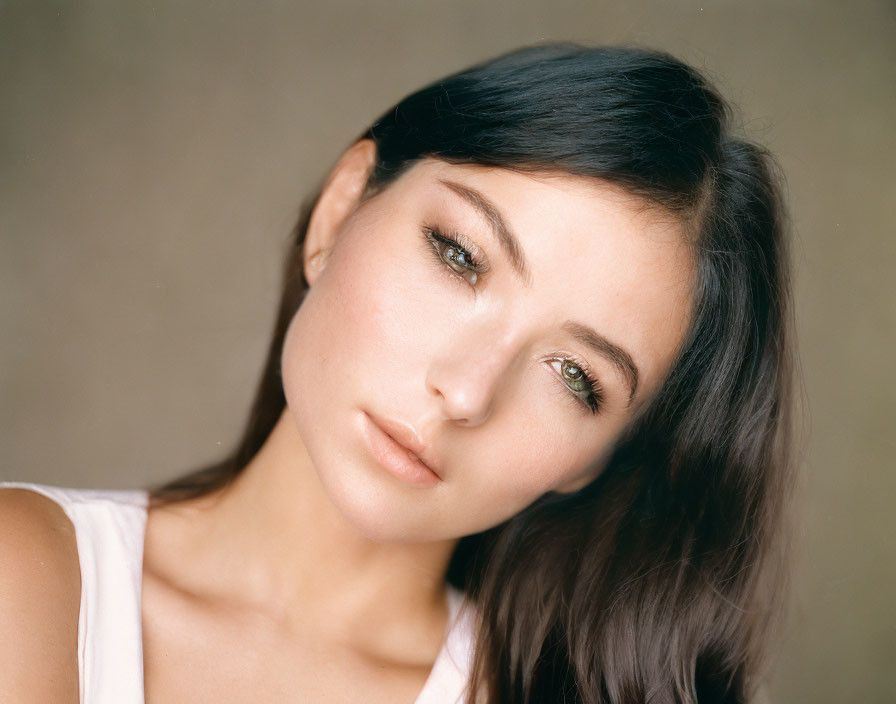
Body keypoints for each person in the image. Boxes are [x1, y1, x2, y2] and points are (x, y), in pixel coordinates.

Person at [0, 42, 795, 703]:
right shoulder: (27, 579)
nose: (466, 392)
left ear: (599, 458)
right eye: (461, 257)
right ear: (341, 208)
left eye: (575, 376)